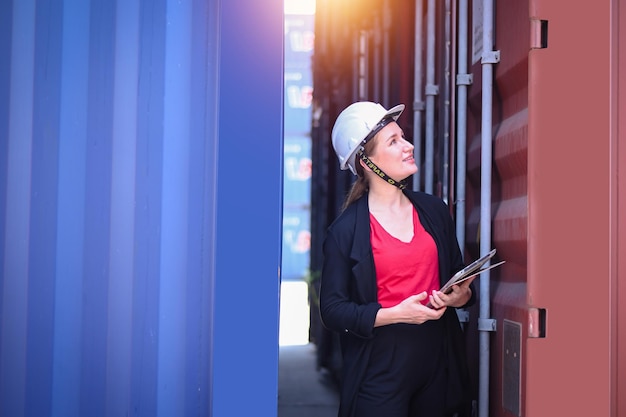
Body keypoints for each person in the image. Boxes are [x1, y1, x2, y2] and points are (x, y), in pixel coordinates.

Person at [319, 101, 475, 417]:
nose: (408, 146)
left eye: (402, 137)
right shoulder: (345, 231)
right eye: (394, 142)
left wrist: (461, 296)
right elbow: (333, 311)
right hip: (380, 370)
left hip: (438, 365)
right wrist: (396, 314)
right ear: (366, 162)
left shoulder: (434, 211)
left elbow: (460, 280)